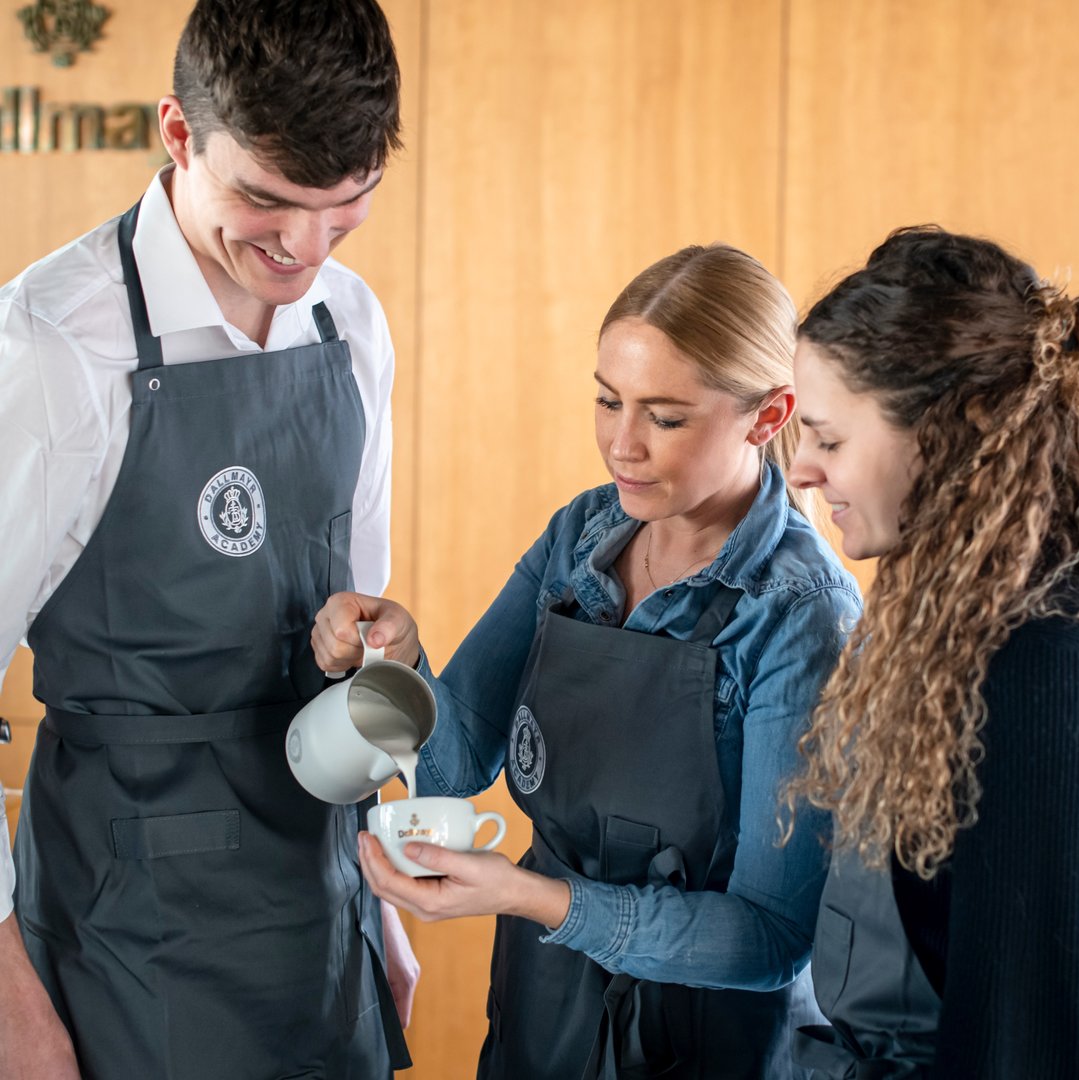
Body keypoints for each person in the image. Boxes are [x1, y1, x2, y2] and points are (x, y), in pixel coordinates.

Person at [313, 244, 864, 1078]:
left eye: (665, 417)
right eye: (608, 402)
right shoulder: (581, 537)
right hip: (544, 1008)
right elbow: (454, 765)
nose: (623, 446)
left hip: (707, 1040)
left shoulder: (799, 611)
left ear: (769, 414)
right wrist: (400, 657)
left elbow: (771, 942)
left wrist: (532, 897)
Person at [0, 1, 419, 1076]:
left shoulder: (350, 324)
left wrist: (383, 905)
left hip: (324, 912)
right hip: (128, 930)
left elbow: (355, 636)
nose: (303, 249)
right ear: (179, 135)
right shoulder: (52, 346)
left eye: (345, 207)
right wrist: (7, 1002)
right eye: (266, 201)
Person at [785, 225, 1079, 1078]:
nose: (800, 470)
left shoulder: (1038, 658)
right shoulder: (953, 592)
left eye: (830, 439)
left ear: (956, 427)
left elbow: (1018, 1039)